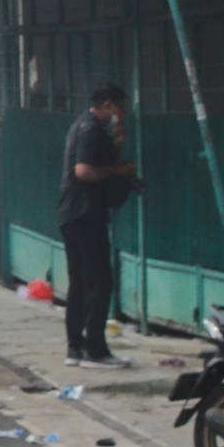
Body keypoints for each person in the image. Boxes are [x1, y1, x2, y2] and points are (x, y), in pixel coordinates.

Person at [57, 83, 138, 364]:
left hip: (73, 214)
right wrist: (120, 170)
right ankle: (95, 348)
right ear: (107, 105)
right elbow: (83, 171)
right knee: (99, 282)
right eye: (119, 107)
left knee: (80, 282)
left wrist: (116, 143)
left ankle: (75, 348)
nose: (121, 113)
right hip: (85, 215)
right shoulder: (91, 129)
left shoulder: (83, 126)